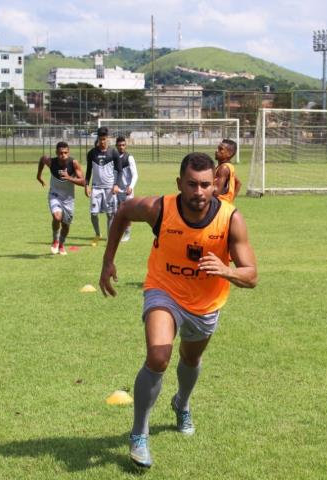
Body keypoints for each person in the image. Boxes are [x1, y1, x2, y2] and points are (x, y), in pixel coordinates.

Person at [98, 152, 258, 469]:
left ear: (215, 186)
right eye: (191, 185)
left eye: (205, 185)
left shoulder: (230, 218)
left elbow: (251, 275)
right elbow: (123, 212)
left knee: (191, 359)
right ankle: (139, 435)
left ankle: (181, 403)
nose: (198, 192)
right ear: (179, 184)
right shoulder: (160, 208)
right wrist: (107, 261)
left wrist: (227, 271)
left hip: (206, 304)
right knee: (158, 357)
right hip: (164, 291)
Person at [36, 142, 85, 255]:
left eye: (65, 153)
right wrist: (38, 175)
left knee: (66, 226)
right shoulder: (51, 162)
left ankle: (61, 245)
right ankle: (55, 240)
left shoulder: (73, 163)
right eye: (60, 153)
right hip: (55, 195)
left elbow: (83, 182)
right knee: (57, 217)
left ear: (69, 152)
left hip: (68, 199)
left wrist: (69, 178)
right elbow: (42, 158)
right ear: (56, 153)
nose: (63, 155)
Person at [85, 127, 123, 242]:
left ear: (108, 138)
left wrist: (116, 185)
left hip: (109, 188)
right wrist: (86, 185)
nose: (102, 141)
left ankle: (110, 237)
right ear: (98, 138)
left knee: (110, 214)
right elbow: (88, 171)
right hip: (96, 188)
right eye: (100, 139)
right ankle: (97, 234)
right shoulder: (92, 153)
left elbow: (120, 170)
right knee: (93, 214)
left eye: (104, 139)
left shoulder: (113, 152)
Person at [115, 135, 138, 242]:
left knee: (127, 212)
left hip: (127, 190)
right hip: (117, 190)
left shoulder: (129, 157)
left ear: (126, 146)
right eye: (119, 145)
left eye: (123, 145)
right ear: (116, 146)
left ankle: (127, 233)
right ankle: (119, 232)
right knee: (117, 212)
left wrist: (131, 187)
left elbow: (135, 175)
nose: (121, 147)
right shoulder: (114, 157)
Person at [213, 139, 240, 203]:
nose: (216, 151)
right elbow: (238, 183)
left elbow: (216, 192)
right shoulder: (227, 166)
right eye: (217, 148)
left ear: (229, 154)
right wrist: (230, 201)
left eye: (220, 149)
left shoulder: (224, 168)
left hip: (220, 205)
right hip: (223, 204)